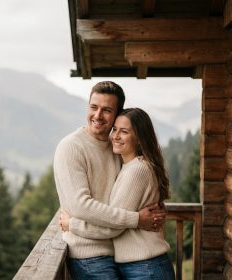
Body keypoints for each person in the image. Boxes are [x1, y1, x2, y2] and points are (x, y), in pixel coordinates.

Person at [54, 81, 165, 280]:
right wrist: (137, 219)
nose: (97, 116)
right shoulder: (71, 147)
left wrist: (73, 224)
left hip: (119, 253)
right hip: (89, 255)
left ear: (117, 115)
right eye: (93, 107)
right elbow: (81, 206)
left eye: (106, 110)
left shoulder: (117, 149)